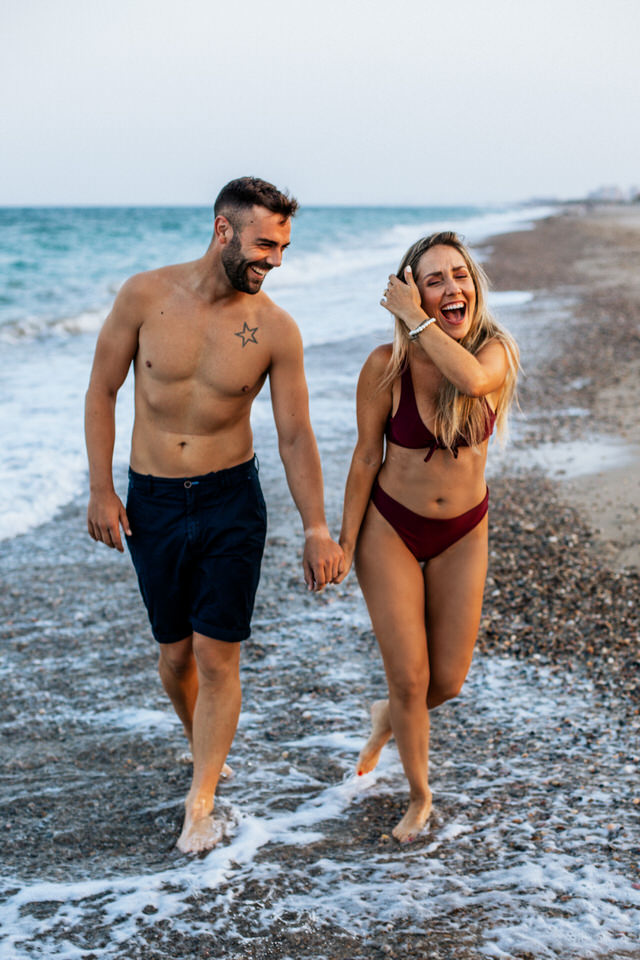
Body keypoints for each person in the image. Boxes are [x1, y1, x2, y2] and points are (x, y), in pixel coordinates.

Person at [85, 177, 344, 854]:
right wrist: (100, 488)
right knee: (175, 656)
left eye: (284, 246)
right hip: (154, 500)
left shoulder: (277, 330)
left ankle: (200, 801)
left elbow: (294, 435)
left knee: (216, 653)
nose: (276, 260)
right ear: (224, 230)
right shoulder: (144, 295)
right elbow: (102, 390)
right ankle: (201, 741)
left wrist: (317, 526)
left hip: (232, 500)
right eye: (265, 243)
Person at [335, 231, 518, 843]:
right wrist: (341, 541)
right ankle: (418, 797)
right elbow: (365, 460)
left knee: (447, 682)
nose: (450, 288)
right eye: (432, 279)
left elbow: (469, 382)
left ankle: (389, 718)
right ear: (413, 288)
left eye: (458, 275)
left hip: (464, 530)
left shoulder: (495, 352)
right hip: (390, 526)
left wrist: (416, 317)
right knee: (411, 678)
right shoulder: (383, 368)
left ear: (474, 285)